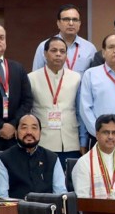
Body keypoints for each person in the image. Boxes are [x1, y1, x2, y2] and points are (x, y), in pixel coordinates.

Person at [28, 36, 82, 164]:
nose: (58, 54)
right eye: (54, 50)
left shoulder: (76, 78)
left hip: (70, 140)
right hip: (43, 141)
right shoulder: (31, 78)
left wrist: (83, 139)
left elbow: (80, 111)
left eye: (62, 51)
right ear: (45, 53)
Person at [0, 114, 67, 199]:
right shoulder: (3, 159)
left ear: (40, 133)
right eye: (24, 127)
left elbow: (60, 194)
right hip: (16, 210)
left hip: (47, 210)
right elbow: (2, 197)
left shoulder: (52, 158)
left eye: (34, 128)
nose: (29, 132)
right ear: (15, 133)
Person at [71, 114, 115, 199]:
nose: (110, 137)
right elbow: (82, 200)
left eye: (114, 133)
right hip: (96, 211)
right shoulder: (84, 163)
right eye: (106, 132)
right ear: (96, 134)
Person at [32, 4, 97, 73]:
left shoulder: (90, 48)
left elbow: (94, 77)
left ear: (79, 23)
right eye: (66, 19)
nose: (71, 23)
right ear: (58, 23)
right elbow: (36, 76)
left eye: (75, 20)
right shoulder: (44, 46)